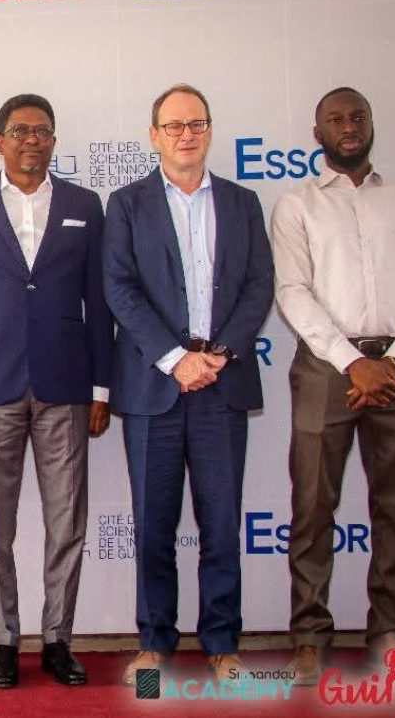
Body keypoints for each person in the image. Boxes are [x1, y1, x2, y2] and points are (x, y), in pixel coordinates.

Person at [272, 87, 395, 685]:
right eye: (335, 119)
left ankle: (393, 638)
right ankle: (309, 638)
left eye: (357, 117)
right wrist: (352, 362)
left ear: (372, 126)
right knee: (313, 505)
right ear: (317, 133)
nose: (348, 126)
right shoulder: (296, 205)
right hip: (328, 368)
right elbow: (293, 291)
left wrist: (393, 361)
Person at [0, 93, 113, 688]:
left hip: (66, 382)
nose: (30, 140)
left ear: (54, 142)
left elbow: (100, 301)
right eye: (19, 131)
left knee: (67, 521)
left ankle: (58, 639)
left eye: (41, 131)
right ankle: (4, 641)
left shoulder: (86, 205)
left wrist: (101, 387)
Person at [104, 84, 273, 685]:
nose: (185, 134)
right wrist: (177, 358)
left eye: (196, 123)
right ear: (153, 135)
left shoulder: (243, 202)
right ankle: (155, 644)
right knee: (153, 524)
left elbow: (259, 286)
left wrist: (218, 355)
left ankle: (223, 643)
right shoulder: (125, 205)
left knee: (221, 523)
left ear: (209, 131)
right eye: (172, 125)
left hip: (222, 385)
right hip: (156, 389)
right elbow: (120, 289)